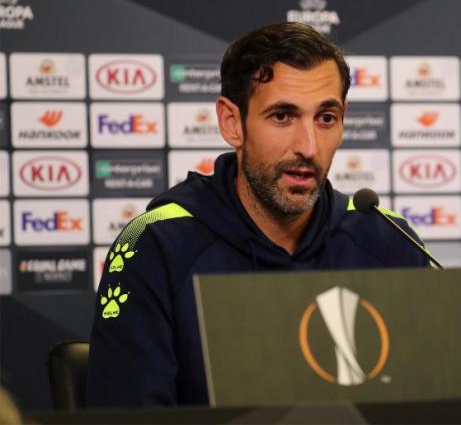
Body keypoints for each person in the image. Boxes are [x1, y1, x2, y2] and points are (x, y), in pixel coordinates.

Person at [87, 22, 428, 407]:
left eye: (326, 118)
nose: (309, 146)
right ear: (232, 122)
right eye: (282, 116)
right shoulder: (154, 243)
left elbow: (437, 408)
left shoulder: (387, 240)